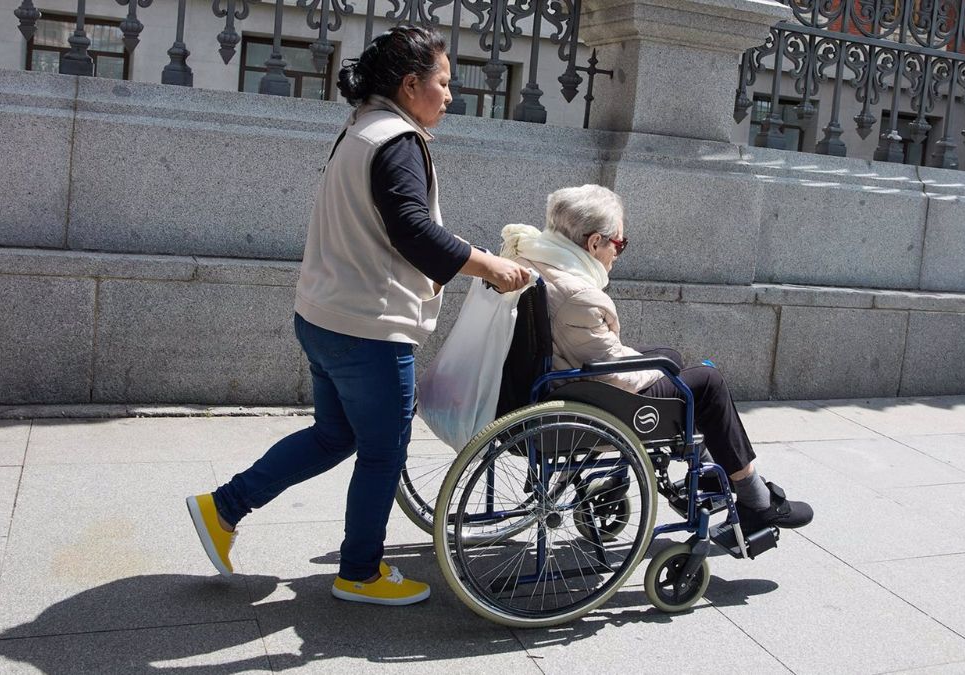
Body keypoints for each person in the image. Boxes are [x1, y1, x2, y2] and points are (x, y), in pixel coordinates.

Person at [185, 26, 530, 606]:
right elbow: (412, 233)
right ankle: (361, 573)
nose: (450, 97)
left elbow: (393, 226)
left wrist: (470, 251)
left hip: (325, 317)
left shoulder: (362, 129)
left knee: (334, 434)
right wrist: (489, 267)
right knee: (382, 451)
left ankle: (223, 508)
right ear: (411, 83)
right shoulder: (398, 139)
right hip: (368, 329)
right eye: (443, 84)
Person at [499, 185, 812, 533]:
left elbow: (594, 351)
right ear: (594, 243)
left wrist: (660, 364)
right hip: (575, 396)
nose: (618, 253)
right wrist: (658, 370)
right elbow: (613, 374)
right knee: (707, 383)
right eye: (618, 244)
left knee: (671, 357)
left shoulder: (532, 258)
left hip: (544, 380)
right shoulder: (580, 296)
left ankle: (711, 471)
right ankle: (757, 500)